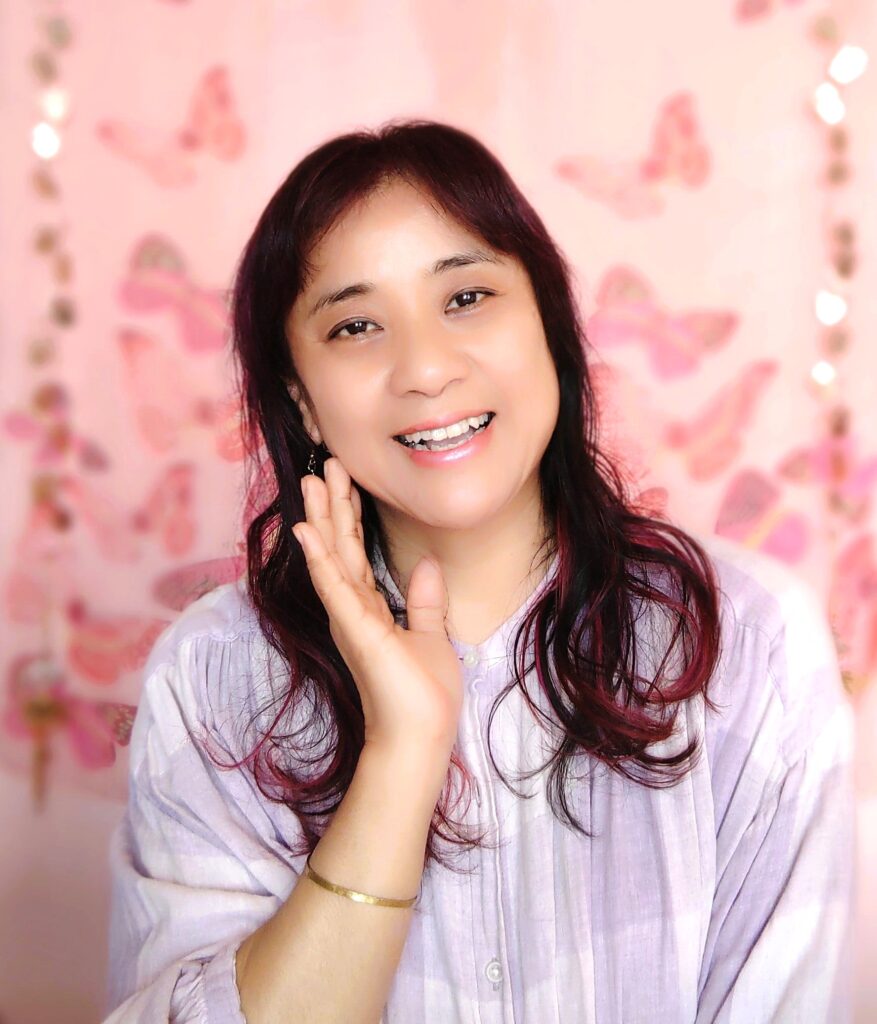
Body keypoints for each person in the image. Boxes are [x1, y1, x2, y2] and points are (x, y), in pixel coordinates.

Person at [102, 119, 856, 1023]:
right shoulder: (213, 677)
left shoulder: (749, 643)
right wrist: (403, 753)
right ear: (301, 400)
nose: (425, 369)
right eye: (355, 325)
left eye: (465, 298)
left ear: (548, 322)